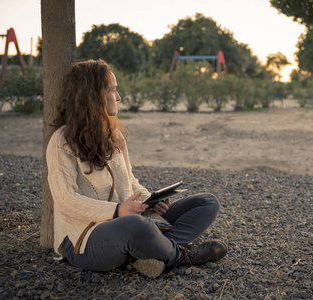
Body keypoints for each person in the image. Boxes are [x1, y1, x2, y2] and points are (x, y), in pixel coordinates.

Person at [46, 59, 227, 278]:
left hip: (129, 219)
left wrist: (151, 200)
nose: (119, 97)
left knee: (206, 202)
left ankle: (150, 252)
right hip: (87, 239)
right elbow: (65, 200)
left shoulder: (114, 136)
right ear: (92, 96)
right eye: (112, 90)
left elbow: (130, 180)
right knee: (136, 226)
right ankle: (181, 256)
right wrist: (115, 211)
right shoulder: (62, 141)